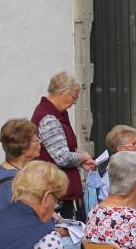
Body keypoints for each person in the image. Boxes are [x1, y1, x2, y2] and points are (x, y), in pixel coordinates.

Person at [33, 71, 96, 216]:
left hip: (63, 192)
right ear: (61, 93)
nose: (74, 102)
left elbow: (61, 150)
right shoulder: (49, 118)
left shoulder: (57, 113)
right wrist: (82, 157)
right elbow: (61, 157)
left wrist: (80, 162)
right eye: (74, 97)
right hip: (56, 194)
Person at [0, 118, 41, 216]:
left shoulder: (19, 173)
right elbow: (14, 219)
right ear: (24, 146)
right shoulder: (8, 183)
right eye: (36, 140)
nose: (39, 143)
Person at [85, 124, 136, 210]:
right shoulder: (115, 172)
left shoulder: (127, 168)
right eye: (134, 144)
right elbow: (128, 204)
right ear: (120, 149)